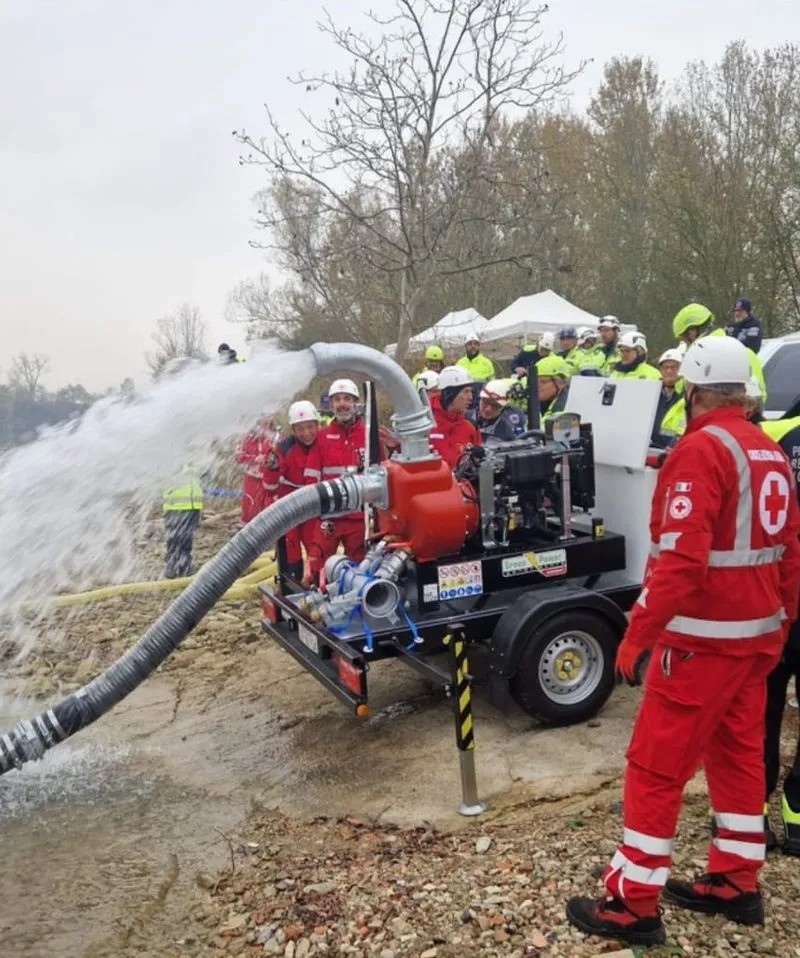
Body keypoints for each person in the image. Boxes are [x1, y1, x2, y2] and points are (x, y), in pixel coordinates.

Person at [566, 335, 800, 946]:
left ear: (693, 391)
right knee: (738, 758)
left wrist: (635, 636)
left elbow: (680, 560)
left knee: (655, 767)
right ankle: (737, 881)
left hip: (701, 645)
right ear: (743, 393)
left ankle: (632, 903)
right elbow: (790, 553)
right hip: (756, 641)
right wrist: (781, 627)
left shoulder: (700, 450)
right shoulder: (770, 452)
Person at [761, 407, 800, 854]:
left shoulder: (773, 436)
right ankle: (796, 814)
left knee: (761, 711)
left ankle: (751, 816)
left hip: (776, 602)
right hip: (781, 599)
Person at [308, 378, 368, 575]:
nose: (342, 404)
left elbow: (381, 474)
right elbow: (312, 478)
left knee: (360, 570)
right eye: (337, 399)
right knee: (317, 565)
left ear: (356, 402)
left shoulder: (369, 435)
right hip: (330, 516)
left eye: (347, 399)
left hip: (359, 518)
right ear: (331, 405)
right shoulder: (322, 437)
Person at [673, 303, 766, 400]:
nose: (686, 345)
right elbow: (758, 397)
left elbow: (687, 397)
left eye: (684, 339)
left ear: (692, 333)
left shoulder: (698, 359)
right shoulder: (745, 352)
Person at [277, 400, 322, 583]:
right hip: (290, 509)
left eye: (310, 427)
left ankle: (319, 586)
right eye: (300, 429)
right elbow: (271, 485)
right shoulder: (284, 448)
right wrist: (271, 467)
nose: (306, 433)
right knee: (290, 552)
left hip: (315, 507)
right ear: (293, 430)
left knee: (318, 550)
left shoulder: (324, 443)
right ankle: (290, 589)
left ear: (317, 425)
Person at [429, 365, 481, 468]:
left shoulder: (471, 425)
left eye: (471, 392)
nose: (471, 397)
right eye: (466, 392)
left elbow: (479, 463)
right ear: (450, 393)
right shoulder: (425, 422)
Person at [162, 463, 205, 579]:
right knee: (174, 539)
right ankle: (171, 567)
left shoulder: (195, 461)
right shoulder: (172, 460)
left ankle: (184, 567)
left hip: (193, 507)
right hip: (175, 507)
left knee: (187, 539)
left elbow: (204, 474)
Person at [236, 418, 277, 525]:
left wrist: (268, 459)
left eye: (268, 423)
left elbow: (280, 455)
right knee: (250, 504)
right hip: (252, 478)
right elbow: (239, 457)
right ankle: (247, 527)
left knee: (270, 506)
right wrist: (254, 459)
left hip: (271, 479)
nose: (265, 426)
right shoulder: (246, 439)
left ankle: (269, 528)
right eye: (263, 423)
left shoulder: (276, 437)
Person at [652, 348, 685, 448]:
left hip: (677, 449)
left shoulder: (688, 394)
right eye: (665, 367)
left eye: (674, 367)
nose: (669, 371)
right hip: (651, 448)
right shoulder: (654, 393)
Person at [536, 354, 572, 426]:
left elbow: (543, 428)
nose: (537, 386)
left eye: (543, 381)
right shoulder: (546, 399)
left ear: (561, 383)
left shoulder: (564, 406)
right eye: (535, 381)